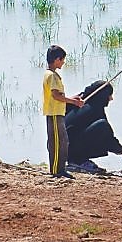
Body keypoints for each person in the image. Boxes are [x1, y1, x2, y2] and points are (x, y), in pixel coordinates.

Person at [66, 80, 122, 174]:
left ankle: (77, 159)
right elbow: (108, 137)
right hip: (70, 149)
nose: (111, 98)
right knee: (103, 126)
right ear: (103, 95)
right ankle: (78, 161)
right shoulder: (94, 109)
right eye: (109, 95)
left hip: (64, 149)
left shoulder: (78, 103)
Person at [42, 45, 83, 178]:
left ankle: (61, 168)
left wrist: (72, 98)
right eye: (62, 59)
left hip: (58, 113)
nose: (63, 62)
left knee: (63, 141)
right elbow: (56, 95)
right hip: (53, 113)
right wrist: (73, 102)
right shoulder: (51, 76)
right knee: (56, 142)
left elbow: (59, 95)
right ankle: (56, 170)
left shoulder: (53, 75)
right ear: (56, 59)